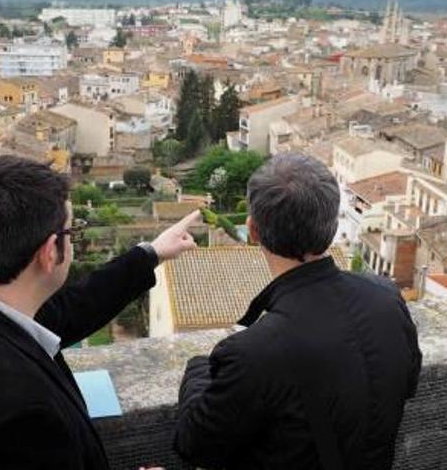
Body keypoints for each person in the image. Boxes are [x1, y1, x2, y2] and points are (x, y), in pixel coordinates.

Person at [0, 155, 199, 469]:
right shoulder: (26, 420)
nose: (75, 240)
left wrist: (151, 253)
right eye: (72, 232)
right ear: (50, 252)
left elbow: (72, 308)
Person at [174, 153, 422, 470]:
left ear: (253, 230)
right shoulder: (387, 299)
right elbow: (408, 383)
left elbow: (193, 444)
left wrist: (198, 369)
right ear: (332, 229)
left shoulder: (252, 353)